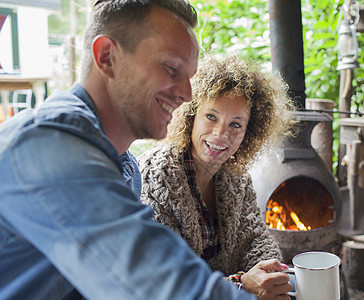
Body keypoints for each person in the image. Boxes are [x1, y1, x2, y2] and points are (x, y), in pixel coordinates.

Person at [0, 1, 255, 299]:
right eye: (172, 68)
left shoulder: (126, 167)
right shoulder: (49, 145)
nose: (187, 95)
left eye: (189, 77)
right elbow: (161, 284)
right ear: (107, 57)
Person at [138, 54, 297, 299]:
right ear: (191, 116)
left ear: (248, 132)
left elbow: (256, 239)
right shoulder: (156, 177)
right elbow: (166, 278)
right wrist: (240, 284)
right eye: (211, 117)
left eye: (236, 124)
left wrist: (267, 273)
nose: (220, 134)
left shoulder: (237, 178)